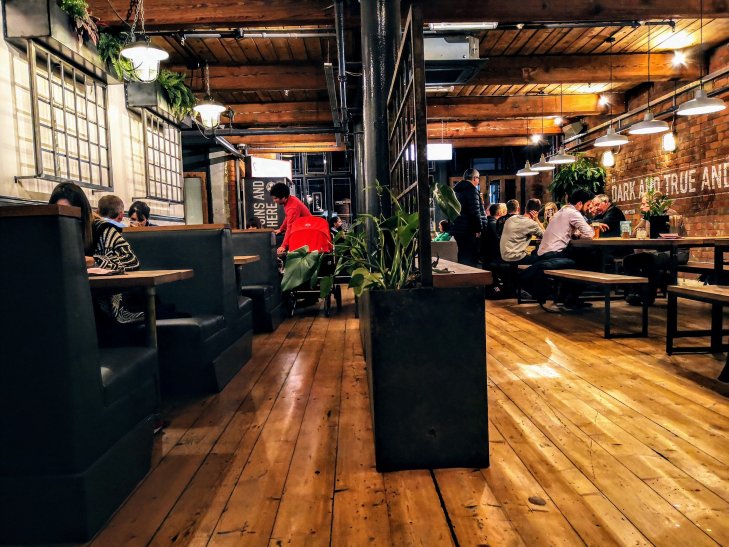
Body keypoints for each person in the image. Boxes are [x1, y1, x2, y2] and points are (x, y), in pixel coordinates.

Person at [49, 182, 142, 324]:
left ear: (82, 213)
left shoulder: (102, 230)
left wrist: (94, 261)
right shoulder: (51, 235)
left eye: (70, 213)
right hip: (65, 303)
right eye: (59, 213)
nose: (64, 220)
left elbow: (131, 260)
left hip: (104, 305)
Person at [624, 210, 688, 306]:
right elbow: (633, 234)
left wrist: (648, 219)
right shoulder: (651, 215)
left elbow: (652, 234)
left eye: (644, 204)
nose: (641, 207)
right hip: (660, 252)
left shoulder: (669, 214)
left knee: (649, 259)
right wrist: (644, 218)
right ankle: (638, 292)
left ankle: (648, 295)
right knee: (629, 260)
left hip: (677, 252)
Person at [449, 168, 488, 267]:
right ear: (474, 178)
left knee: (462, 254)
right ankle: (469, 276)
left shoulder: (456, 191)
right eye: (478, 178)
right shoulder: (471, 190)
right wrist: (478, 229)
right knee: (470, 258)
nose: (478, 181)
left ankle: (462, 274)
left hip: (458, 229)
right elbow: (475, 212)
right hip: (469, 230)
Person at [270, 181, 312, 254]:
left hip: (307, 232)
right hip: (303, 229)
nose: (274, 201)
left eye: (276, 198)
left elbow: (290, 227)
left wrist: (283, 246)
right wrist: (281, 229)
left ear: (284, 197)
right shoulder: (290, 200)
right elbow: (288, 217)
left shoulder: (293, 208)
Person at [500, 198, 544, 265]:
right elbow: (546, 236)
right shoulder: (531, 223)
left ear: (525, 208)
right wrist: (536, 220)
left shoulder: (511, 219)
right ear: (537, 212)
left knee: (534, 253)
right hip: (516, 258)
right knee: (544, 259)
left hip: (504, 256)